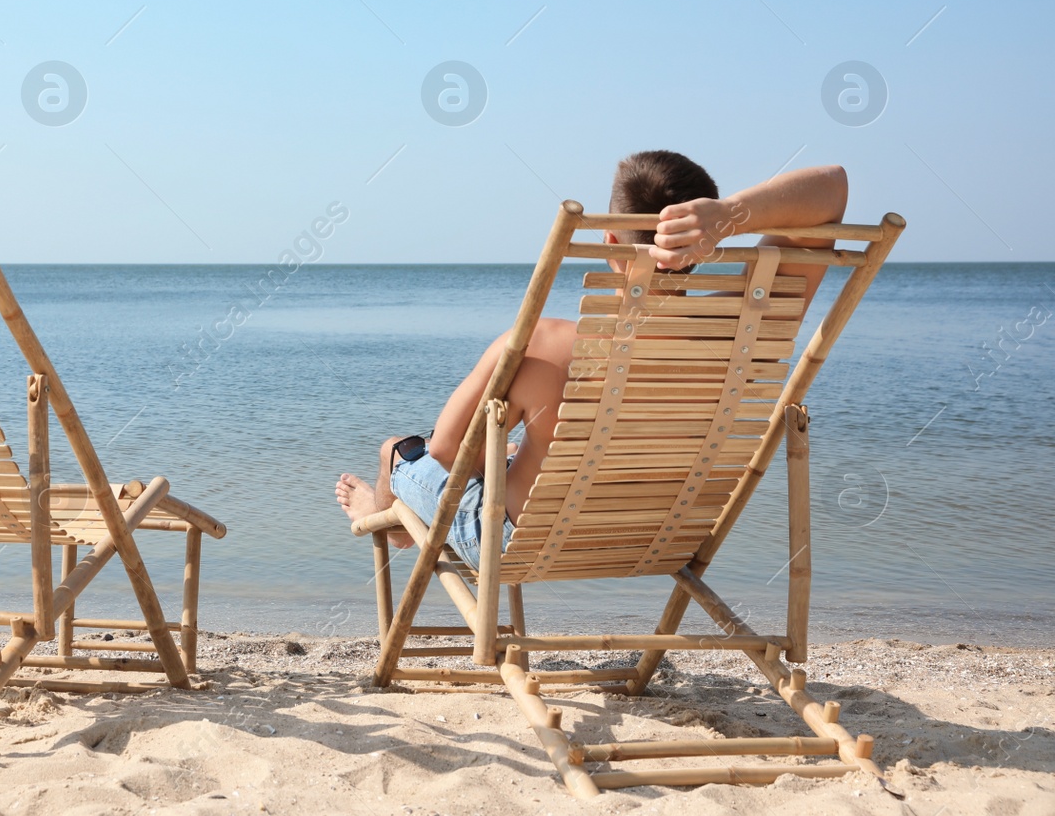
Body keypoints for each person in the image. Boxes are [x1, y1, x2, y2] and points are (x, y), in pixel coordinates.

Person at [335, 150, 848, 565]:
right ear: (708, 244)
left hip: (526, 544)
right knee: (513, 454)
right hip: (665, 537)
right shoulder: (749, 327)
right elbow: (833, 187)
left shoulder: (536, 343)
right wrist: (729, 214)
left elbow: (449, 456)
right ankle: (417, 507)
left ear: (609, 240)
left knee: (402, 452)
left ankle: (387, 519)